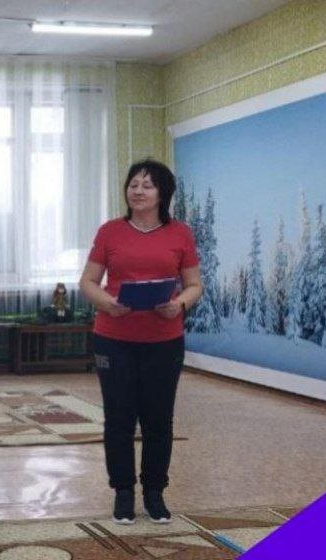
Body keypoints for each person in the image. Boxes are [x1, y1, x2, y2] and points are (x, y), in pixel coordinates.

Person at [78, 159, 203, 525]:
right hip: (113, 339)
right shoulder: (110, 232)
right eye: (133, 184)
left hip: (164, 341)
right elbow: (87, 282)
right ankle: (123, 492)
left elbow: (194, 285)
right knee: (119, 418)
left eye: (147, 185)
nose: (138, 191)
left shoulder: (180, 234)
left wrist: (179, 304)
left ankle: (154, 492)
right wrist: (107, 303)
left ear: (162, 193)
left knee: (158, 419)